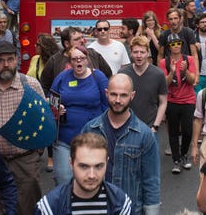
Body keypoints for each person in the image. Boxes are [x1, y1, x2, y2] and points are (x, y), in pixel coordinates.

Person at [0, 41, 46, 215]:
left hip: (25, 161)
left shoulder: (31, 85)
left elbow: (42, 120)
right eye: (1, 60)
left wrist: (36, 153)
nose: (6, 65)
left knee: (27, 207)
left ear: (17, 60)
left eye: (10, 60)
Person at [81, 74, 161, 215]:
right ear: (106, 94)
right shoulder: (90, 129)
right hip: (95, 208)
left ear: (132, 95)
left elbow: (151, 180)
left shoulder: (144, 135)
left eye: (123, 95)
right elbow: (79, 172)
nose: (118, 100)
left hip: (130, 210)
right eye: (113, 94)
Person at [50, 45, 109, 185]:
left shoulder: (98, 77)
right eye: (74, 59)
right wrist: (57, 108)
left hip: (93, 139)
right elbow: (51, 99)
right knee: (63, 180)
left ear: (87, 59)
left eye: (81, 58)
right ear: (69, 62)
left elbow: (107, 104)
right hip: (65, 138)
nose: (78, 62)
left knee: (92, 181)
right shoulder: (62, 77)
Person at [35, 133, 132, 215]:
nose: (91, 175)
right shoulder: (49, 207)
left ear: (107, 163)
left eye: (98, 166)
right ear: (71, 164)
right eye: (84, 166)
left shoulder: (121, 203)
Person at [159, 34, 198, 174]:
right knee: (173, 131)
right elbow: (165, 83)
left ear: (181, 45)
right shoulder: (164, 62)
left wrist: (185, 70)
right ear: (169, 47)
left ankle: (184, 154)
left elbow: (192, 80)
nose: (176, 46)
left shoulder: (189, 59)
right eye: (173, 44)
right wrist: (172, 71)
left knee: (187, 131)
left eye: (178, 43)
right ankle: (176, 160)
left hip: (188, 100)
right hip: (172, 100)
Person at [40, 26, 112, 95]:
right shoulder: (55, 60)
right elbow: (44, 86)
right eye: (77, 39)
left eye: (82, 37)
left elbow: (108, 76)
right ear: (67, 44)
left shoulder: (93, 55)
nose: (82, 41)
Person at [118, 36, 168, 129]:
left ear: (148, 53)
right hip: (126, 126)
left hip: (150, 127)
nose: (139, 55)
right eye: (135, 52)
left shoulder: (158, 74)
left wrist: (155, 126)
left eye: (142, 52)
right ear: (131, 53)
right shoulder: (123, 73)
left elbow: (163, 102)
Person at [26, 33, 59, 172]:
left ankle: (50, 156)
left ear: (44, 47)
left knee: (49, 126)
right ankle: (37, 149)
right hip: (35, 97)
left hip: (49, 98)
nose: (35, 46)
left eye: (38, 44)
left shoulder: (54, 61)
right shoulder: (34, 59)